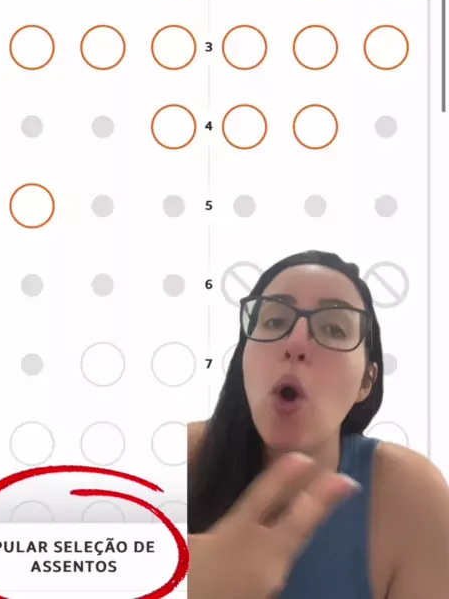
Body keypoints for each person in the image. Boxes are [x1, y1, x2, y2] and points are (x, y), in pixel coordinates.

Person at [187, 250, 449, 599]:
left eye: (333, 328)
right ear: (244, 358)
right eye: (274, 322)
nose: (295, 344)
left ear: (366, 381)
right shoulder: (172, 464)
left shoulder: (410, 497)